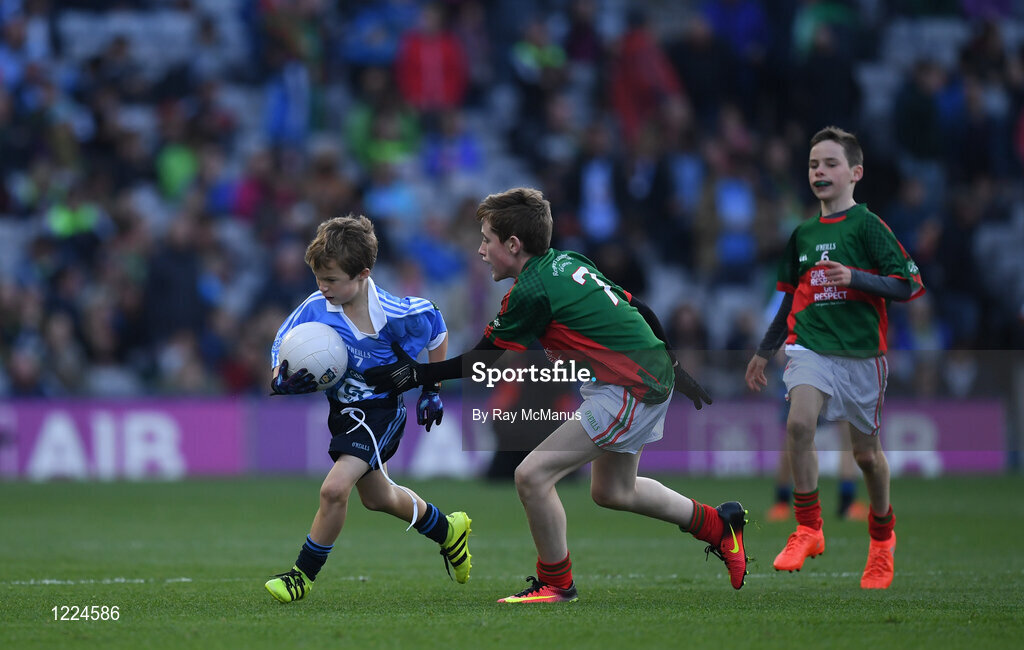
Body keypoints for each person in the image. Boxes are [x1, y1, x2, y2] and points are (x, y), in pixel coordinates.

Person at [366, 187, 748, 604]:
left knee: (531, 476)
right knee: (613, 492)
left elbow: (480, 362)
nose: (480, 250)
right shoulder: (567, 260)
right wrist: (677, 369)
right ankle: (719, 525)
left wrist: (412, 375)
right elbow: (642, 311)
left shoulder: (531, 291)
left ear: (512, 245)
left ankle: (557, 583)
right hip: (638, 378)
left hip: (630, 387)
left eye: (486, 240)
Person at [745, 126, 924, 589]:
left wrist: (856, 278)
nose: (819, 171)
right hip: (811, 347)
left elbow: (907, 284)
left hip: (863, 356)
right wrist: (765, 351)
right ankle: (808, 528)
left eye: (829, 163)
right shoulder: (802, 234)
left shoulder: (869, 226)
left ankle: (882, 540)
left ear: (855, 173)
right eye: (812, 164)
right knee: (800, 424)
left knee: (866, 456)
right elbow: (787, 300)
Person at [263, 215, 472, 603]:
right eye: (318, 279)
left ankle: (300, 577)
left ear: (362, 274)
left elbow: (437, 328)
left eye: (331, 280)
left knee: (334, 489)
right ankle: (448, 530)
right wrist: (280, 379)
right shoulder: (315, 306)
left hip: (381, 412)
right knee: (379, 498)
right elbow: (282, 343)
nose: (322, 288)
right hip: (343, 412)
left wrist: (432, 388)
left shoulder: (397, 314)